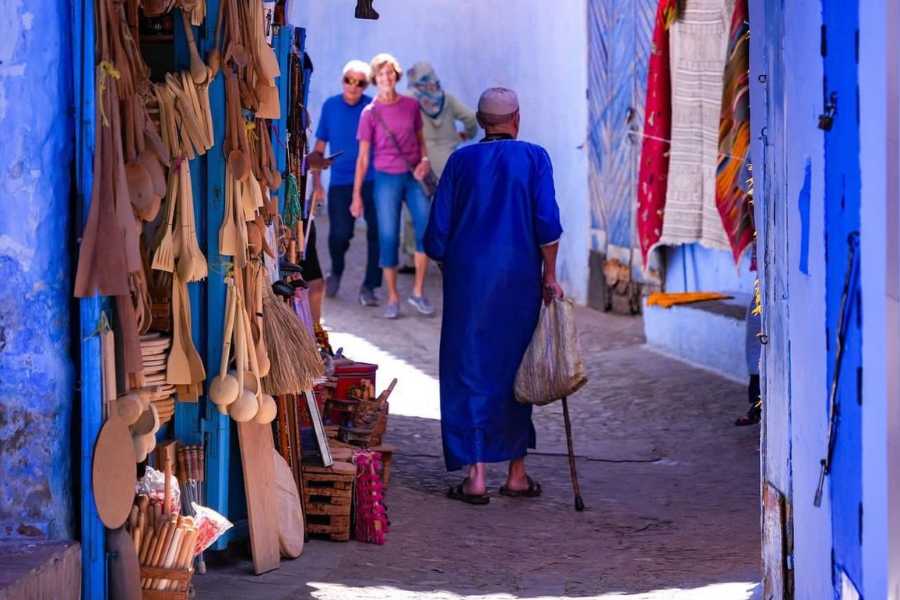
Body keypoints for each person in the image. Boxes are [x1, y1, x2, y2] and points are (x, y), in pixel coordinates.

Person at [424, 87, 564, 505]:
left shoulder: (461, 161)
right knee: (516, 369)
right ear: (516, 118)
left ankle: (477, 476)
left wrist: (451, 266)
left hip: (469, 279)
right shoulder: (534, 158)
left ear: (482, 122)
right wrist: (551, 275)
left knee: (468, 368)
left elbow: (438, 231)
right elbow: (548, 222)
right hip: (518, 278)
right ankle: (517, 473)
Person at [353, 53, 434, 319]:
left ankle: (418, 293)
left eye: (390, 73)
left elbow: (421, 139)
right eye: (381, 74)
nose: (386, 78)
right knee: (388, 237)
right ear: (375, 79)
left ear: (396, 75)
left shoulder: (411, 106)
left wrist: (424, 160)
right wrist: (356, 195)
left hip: (413, 177)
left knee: (425, 231)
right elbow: (363, 157)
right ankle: (392, 296)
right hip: (385, 179)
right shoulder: (370, 113)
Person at [310, 59, 382, 307]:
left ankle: (370, 286)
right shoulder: (330, 106)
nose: (353, 86)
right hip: (340, 181)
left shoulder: (373, 107)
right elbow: (319, 148)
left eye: (359, 82)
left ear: (365, 85)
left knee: (378, 233)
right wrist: (317, 183)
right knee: (339, 234)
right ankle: (336, 271)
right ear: (343, 81)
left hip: (372, 180)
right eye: (348, 80)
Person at [397, 62, 478, 274]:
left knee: (415, 210)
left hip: (420, 162)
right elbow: (471, 117)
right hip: (449, 161)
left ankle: (412, 259)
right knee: (450, 209)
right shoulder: (447, 98)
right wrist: (467, 134)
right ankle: (452, 255)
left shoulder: (409, 98)